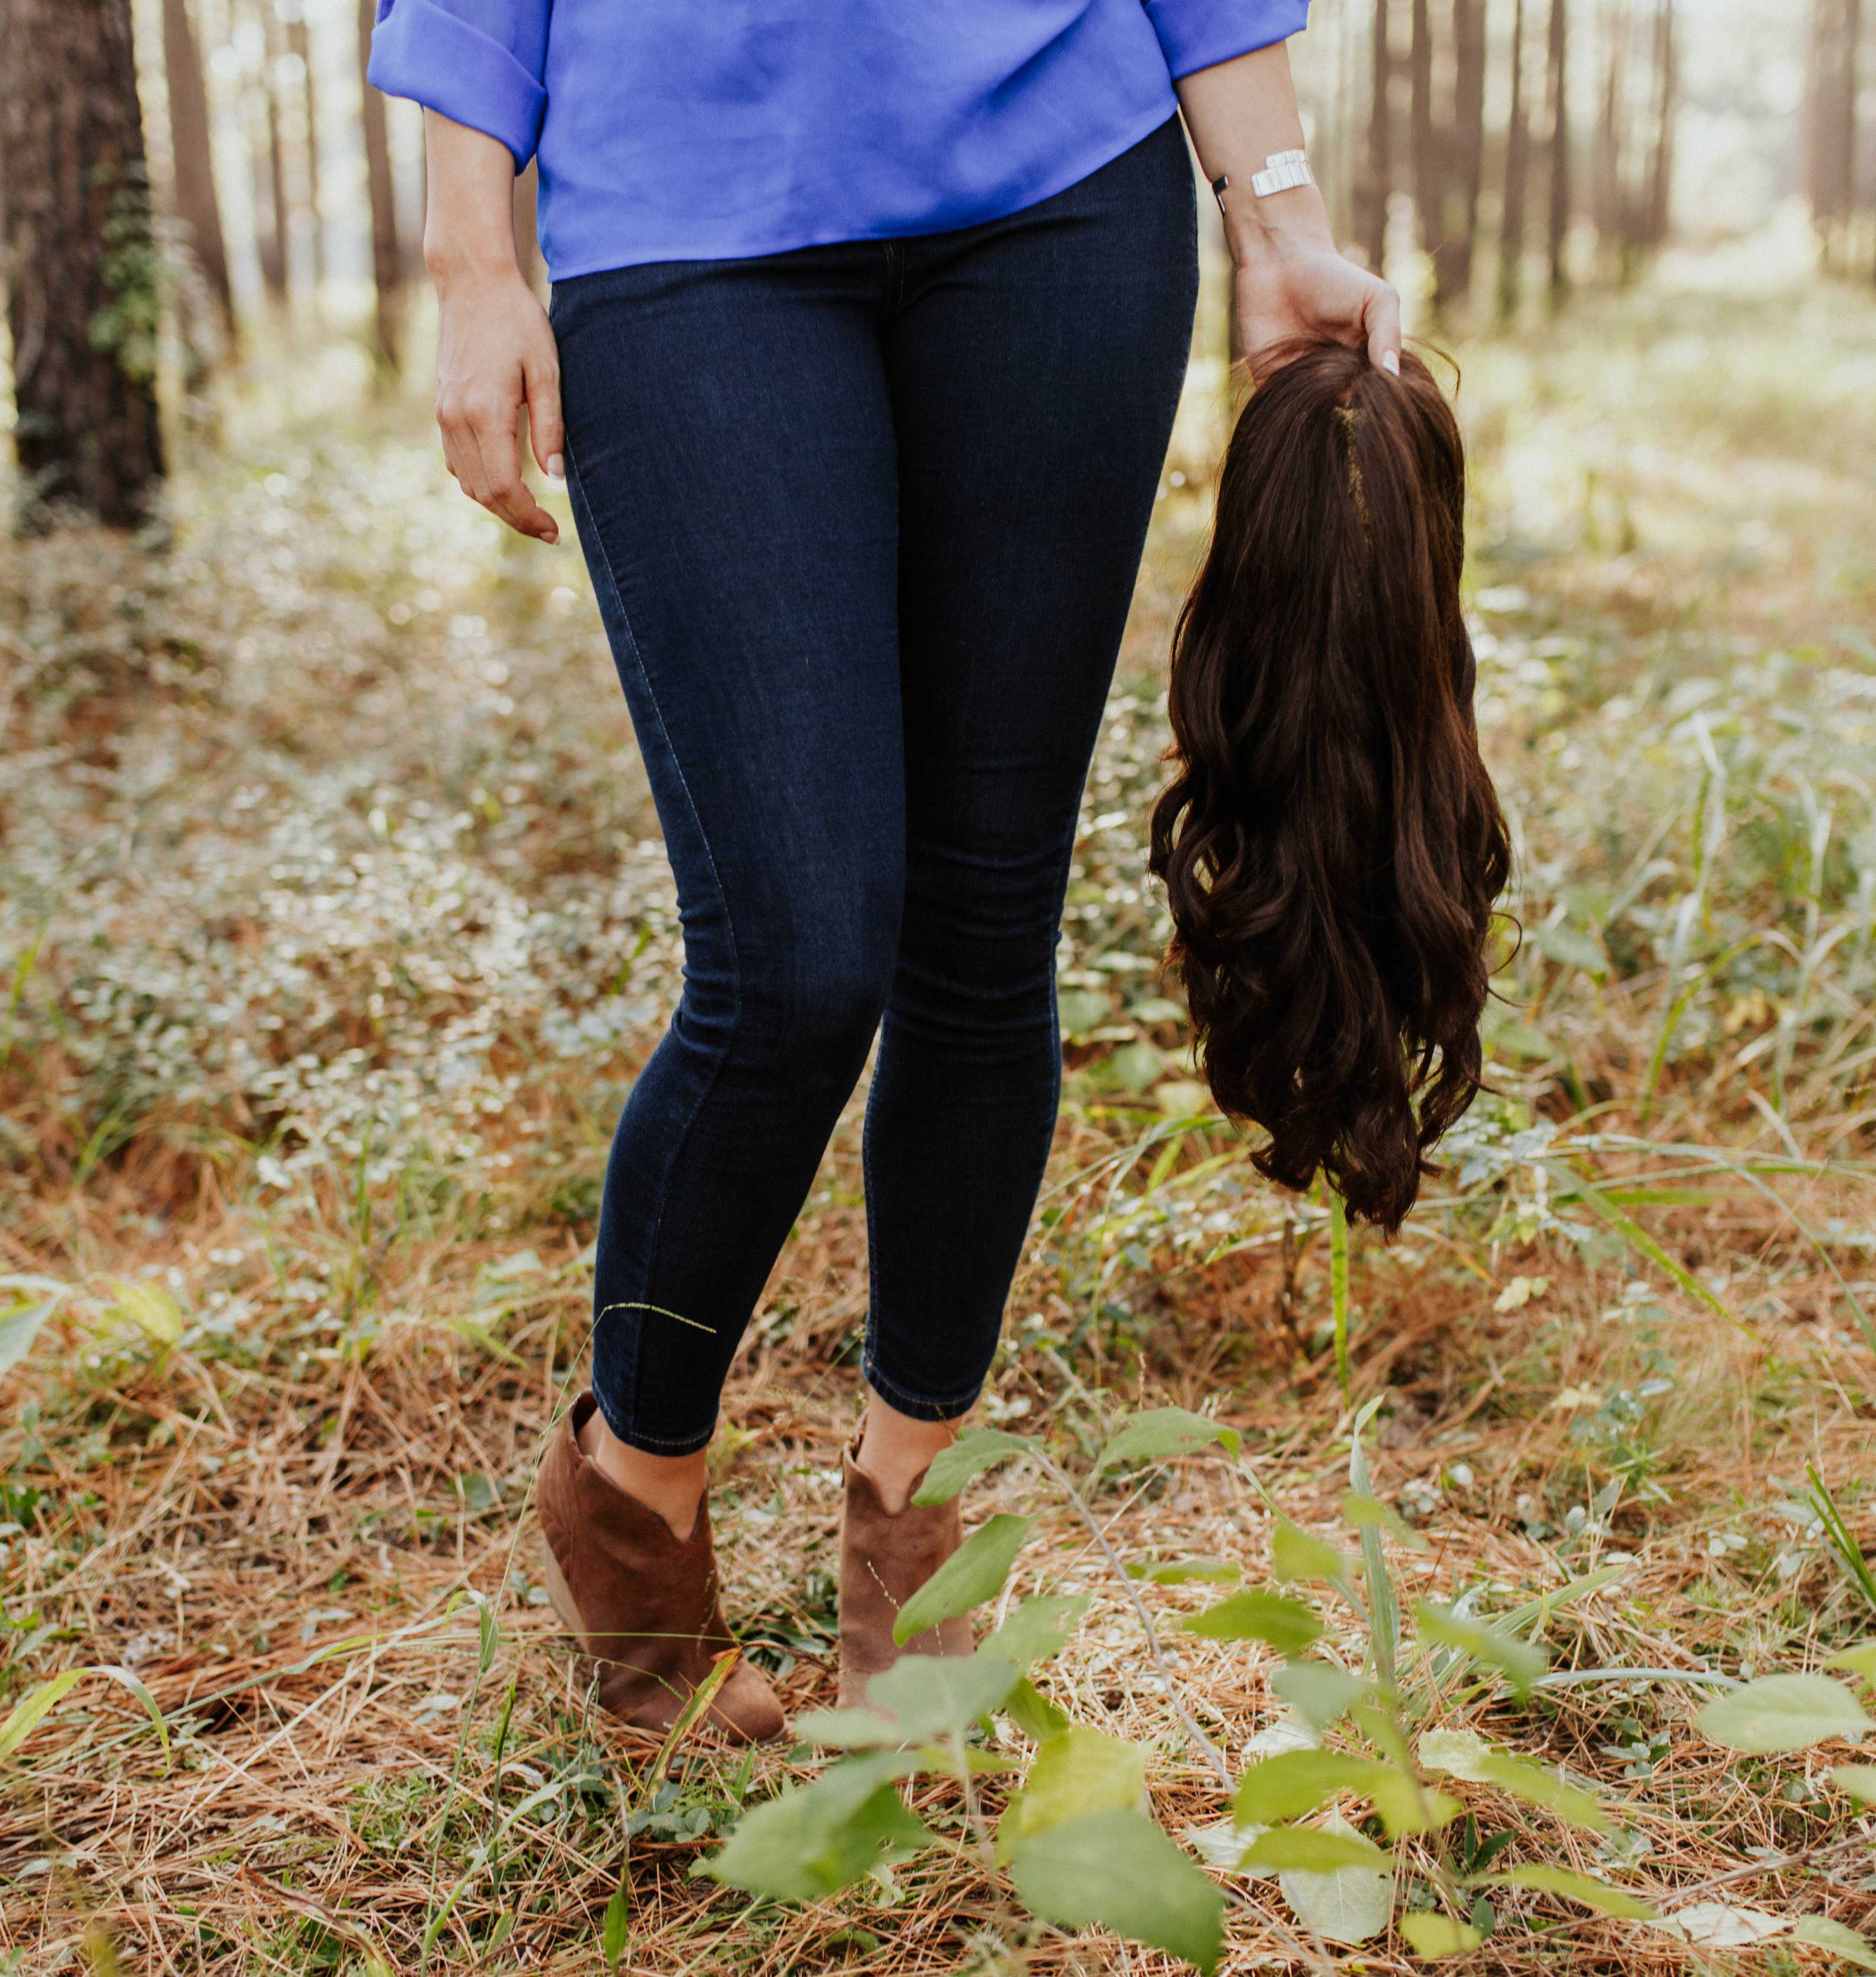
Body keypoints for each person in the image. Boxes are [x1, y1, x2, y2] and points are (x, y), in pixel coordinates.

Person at [371, 0, 1400, 1740]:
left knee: (984, 922)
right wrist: (477, 255)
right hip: (683, 225)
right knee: (793, 961)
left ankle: (913, 1531)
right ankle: (634, 1506)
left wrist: (1277, 209)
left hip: (1064, 199)